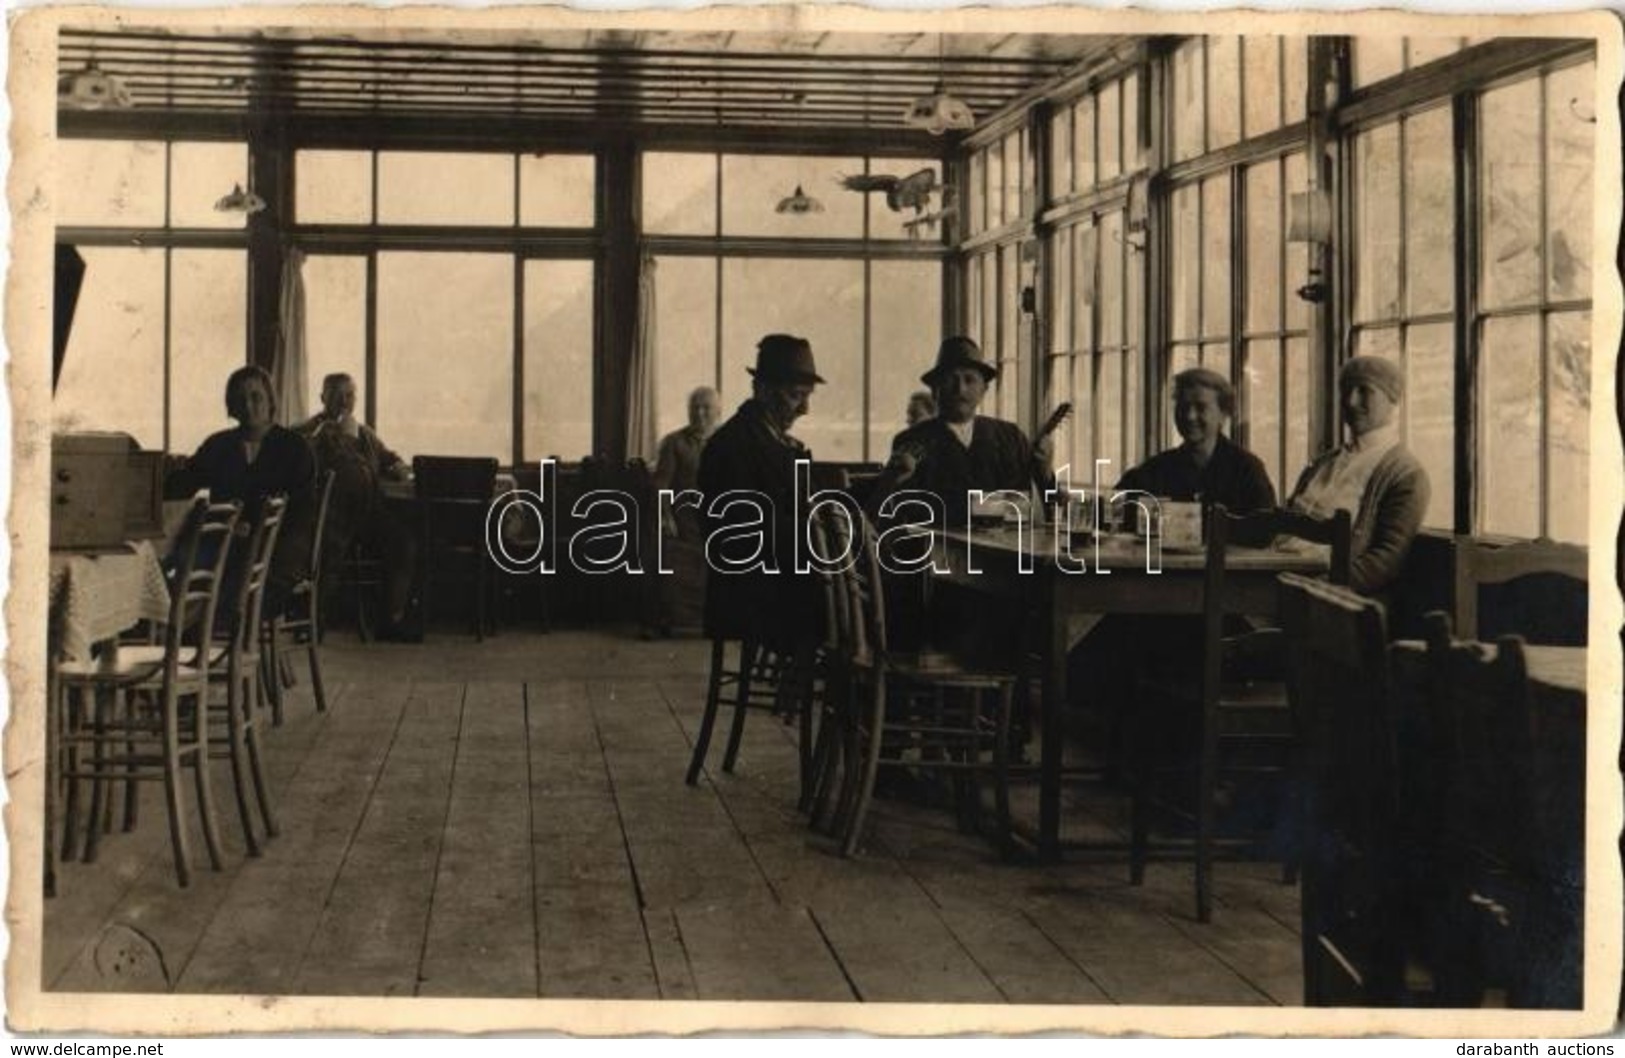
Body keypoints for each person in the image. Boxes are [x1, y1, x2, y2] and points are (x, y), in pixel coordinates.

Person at [696, 334, 825, 656]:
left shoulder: (771, 441)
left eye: (807, 397)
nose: (805, 409)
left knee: (852, 600)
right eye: (797, 396)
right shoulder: (732, 446)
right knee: (852, 610)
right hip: (748, 593)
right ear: (764, 390)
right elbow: (743, 531)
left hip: (769, 579)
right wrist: (816, 530)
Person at [168, 364, 316, 614]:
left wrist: (257, 529)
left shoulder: (295, 448)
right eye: (239, 399)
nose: (248, 406)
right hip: (225, 548)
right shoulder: (218, 445)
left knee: (209, 591)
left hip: (276, 552)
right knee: (182, 566)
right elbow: (183, 485)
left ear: (270, 399)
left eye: (255, 397)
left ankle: (187, 628)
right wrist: (165, 468)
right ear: (231, 406)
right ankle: (175, 627)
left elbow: (302, 511)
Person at [1286, 355, 1431, 598]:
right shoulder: (1323, 463)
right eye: (1346, 390)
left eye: (1365, 391)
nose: (1351, 401)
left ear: (1393, 400)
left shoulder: (1406, 475)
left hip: (1332, 598)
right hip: (1276, 576)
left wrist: (1314, 590)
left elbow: (1385, 561)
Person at [870, 336, 1053, 526]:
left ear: (984, 390)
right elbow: (912, 513)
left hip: (1004, 552)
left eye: (970, 379)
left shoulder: (1010, 437)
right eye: (951, 379)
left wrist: (1045, 471)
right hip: (937, 552)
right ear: (935, 390)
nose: (960, 389)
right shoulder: (912, 441)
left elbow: (1028, 509)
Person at [301, 372, 420, 641]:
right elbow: (299, 459)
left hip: (367, 513)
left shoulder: (364, 434)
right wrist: (322, 437)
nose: (345, 400)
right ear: (323, 398)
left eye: (350, 394)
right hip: (329, 515)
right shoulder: (311, 430)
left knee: (403, 543)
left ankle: (391, 620)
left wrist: (398, 467)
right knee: (328, 550)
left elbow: (391, 458)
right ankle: (312, 622)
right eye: (337, 394)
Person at [1117, 367, 1275, 512]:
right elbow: (1114, 506)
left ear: (1223, 414)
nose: (1190, 416)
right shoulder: (1156, 470)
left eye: (1201, 407)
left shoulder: (1247, 470)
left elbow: (1265, 533)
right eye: (1183, 407)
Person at [644, 386, 721, 638]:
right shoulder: (674, 443)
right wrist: (666, 516)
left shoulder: (726, 441)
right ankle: (672, 619)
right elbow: (661, 485)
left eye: (706, 408)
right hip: (685, 518)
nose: (700, 414)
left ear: (718, 412)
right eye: (694, 408)